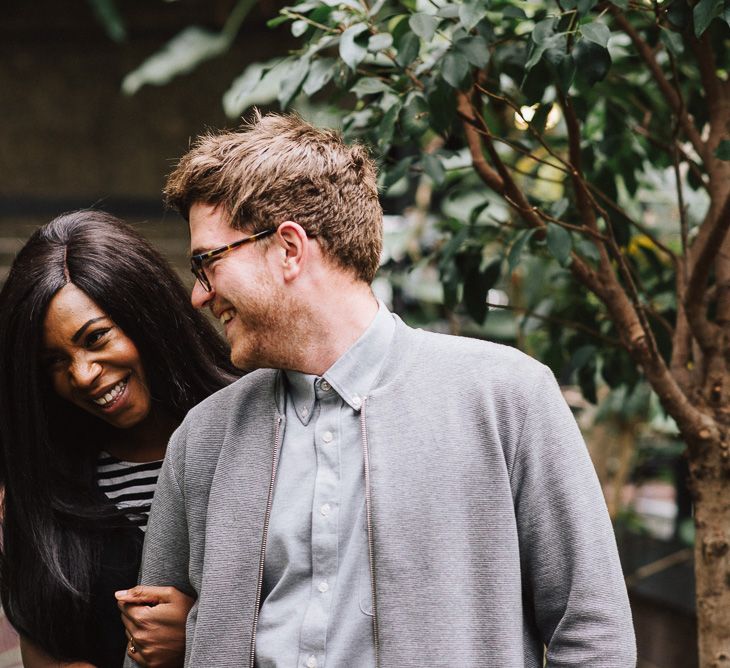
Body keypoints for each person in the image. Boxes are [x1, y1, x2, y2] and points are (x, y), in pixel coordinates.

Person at [133, 113, 636, 667]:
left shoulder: (506, 397)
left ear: (289, 249)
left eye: (207, 262)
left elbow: (593, 633)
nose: (198, 296)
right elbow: (146, 643)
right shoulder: (203, 438)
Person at [0, 211, 238, 667]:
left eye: (96, 337)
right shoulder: (48, 488)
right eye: (53, 361)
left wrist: (200, 633)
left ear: (145, 315)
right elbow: (42, 649)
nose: (82, 374)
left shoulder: (247, 428)